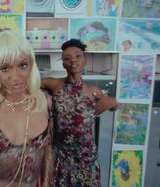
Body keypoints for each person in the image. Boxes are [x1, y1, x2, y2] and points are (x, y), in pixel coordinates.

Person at [0, 30, 53, 187]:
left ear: (31, 64)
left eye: (23, 65)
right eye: (5, 68)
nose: (15, 77)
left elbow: (49, 155)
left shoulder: (44, 103)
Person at [41, 39, 118, 186]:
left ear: (85, 61)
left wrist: (112, 101)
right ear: (63, 64)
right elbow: (31, 84)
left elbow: (114, 105)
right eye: (67, 58)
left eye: (78, 56)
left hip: (86, 158)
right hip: (61, 157)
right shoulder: (54, 84)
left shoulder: (93, 91)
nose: (73, 61)